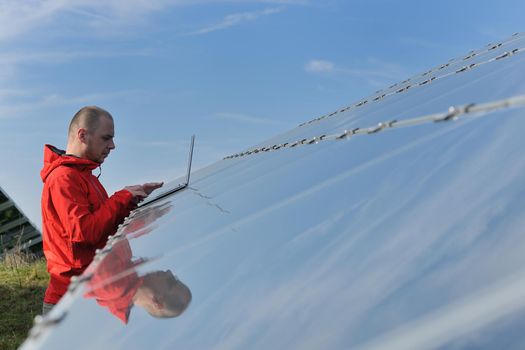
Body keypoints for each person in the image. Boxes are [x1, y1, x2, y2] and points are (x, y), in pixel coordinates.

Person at [40, 106, 163, 315]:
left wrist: (136, 207)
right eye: (106, 138)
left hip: (89, 292)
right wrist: (122, 197)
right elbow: (85, 232)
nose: (112, 146)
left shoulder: (83, 176)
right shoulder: (64, 178)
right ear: (83, 135)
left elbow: (103, 227)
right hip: (69, 303)